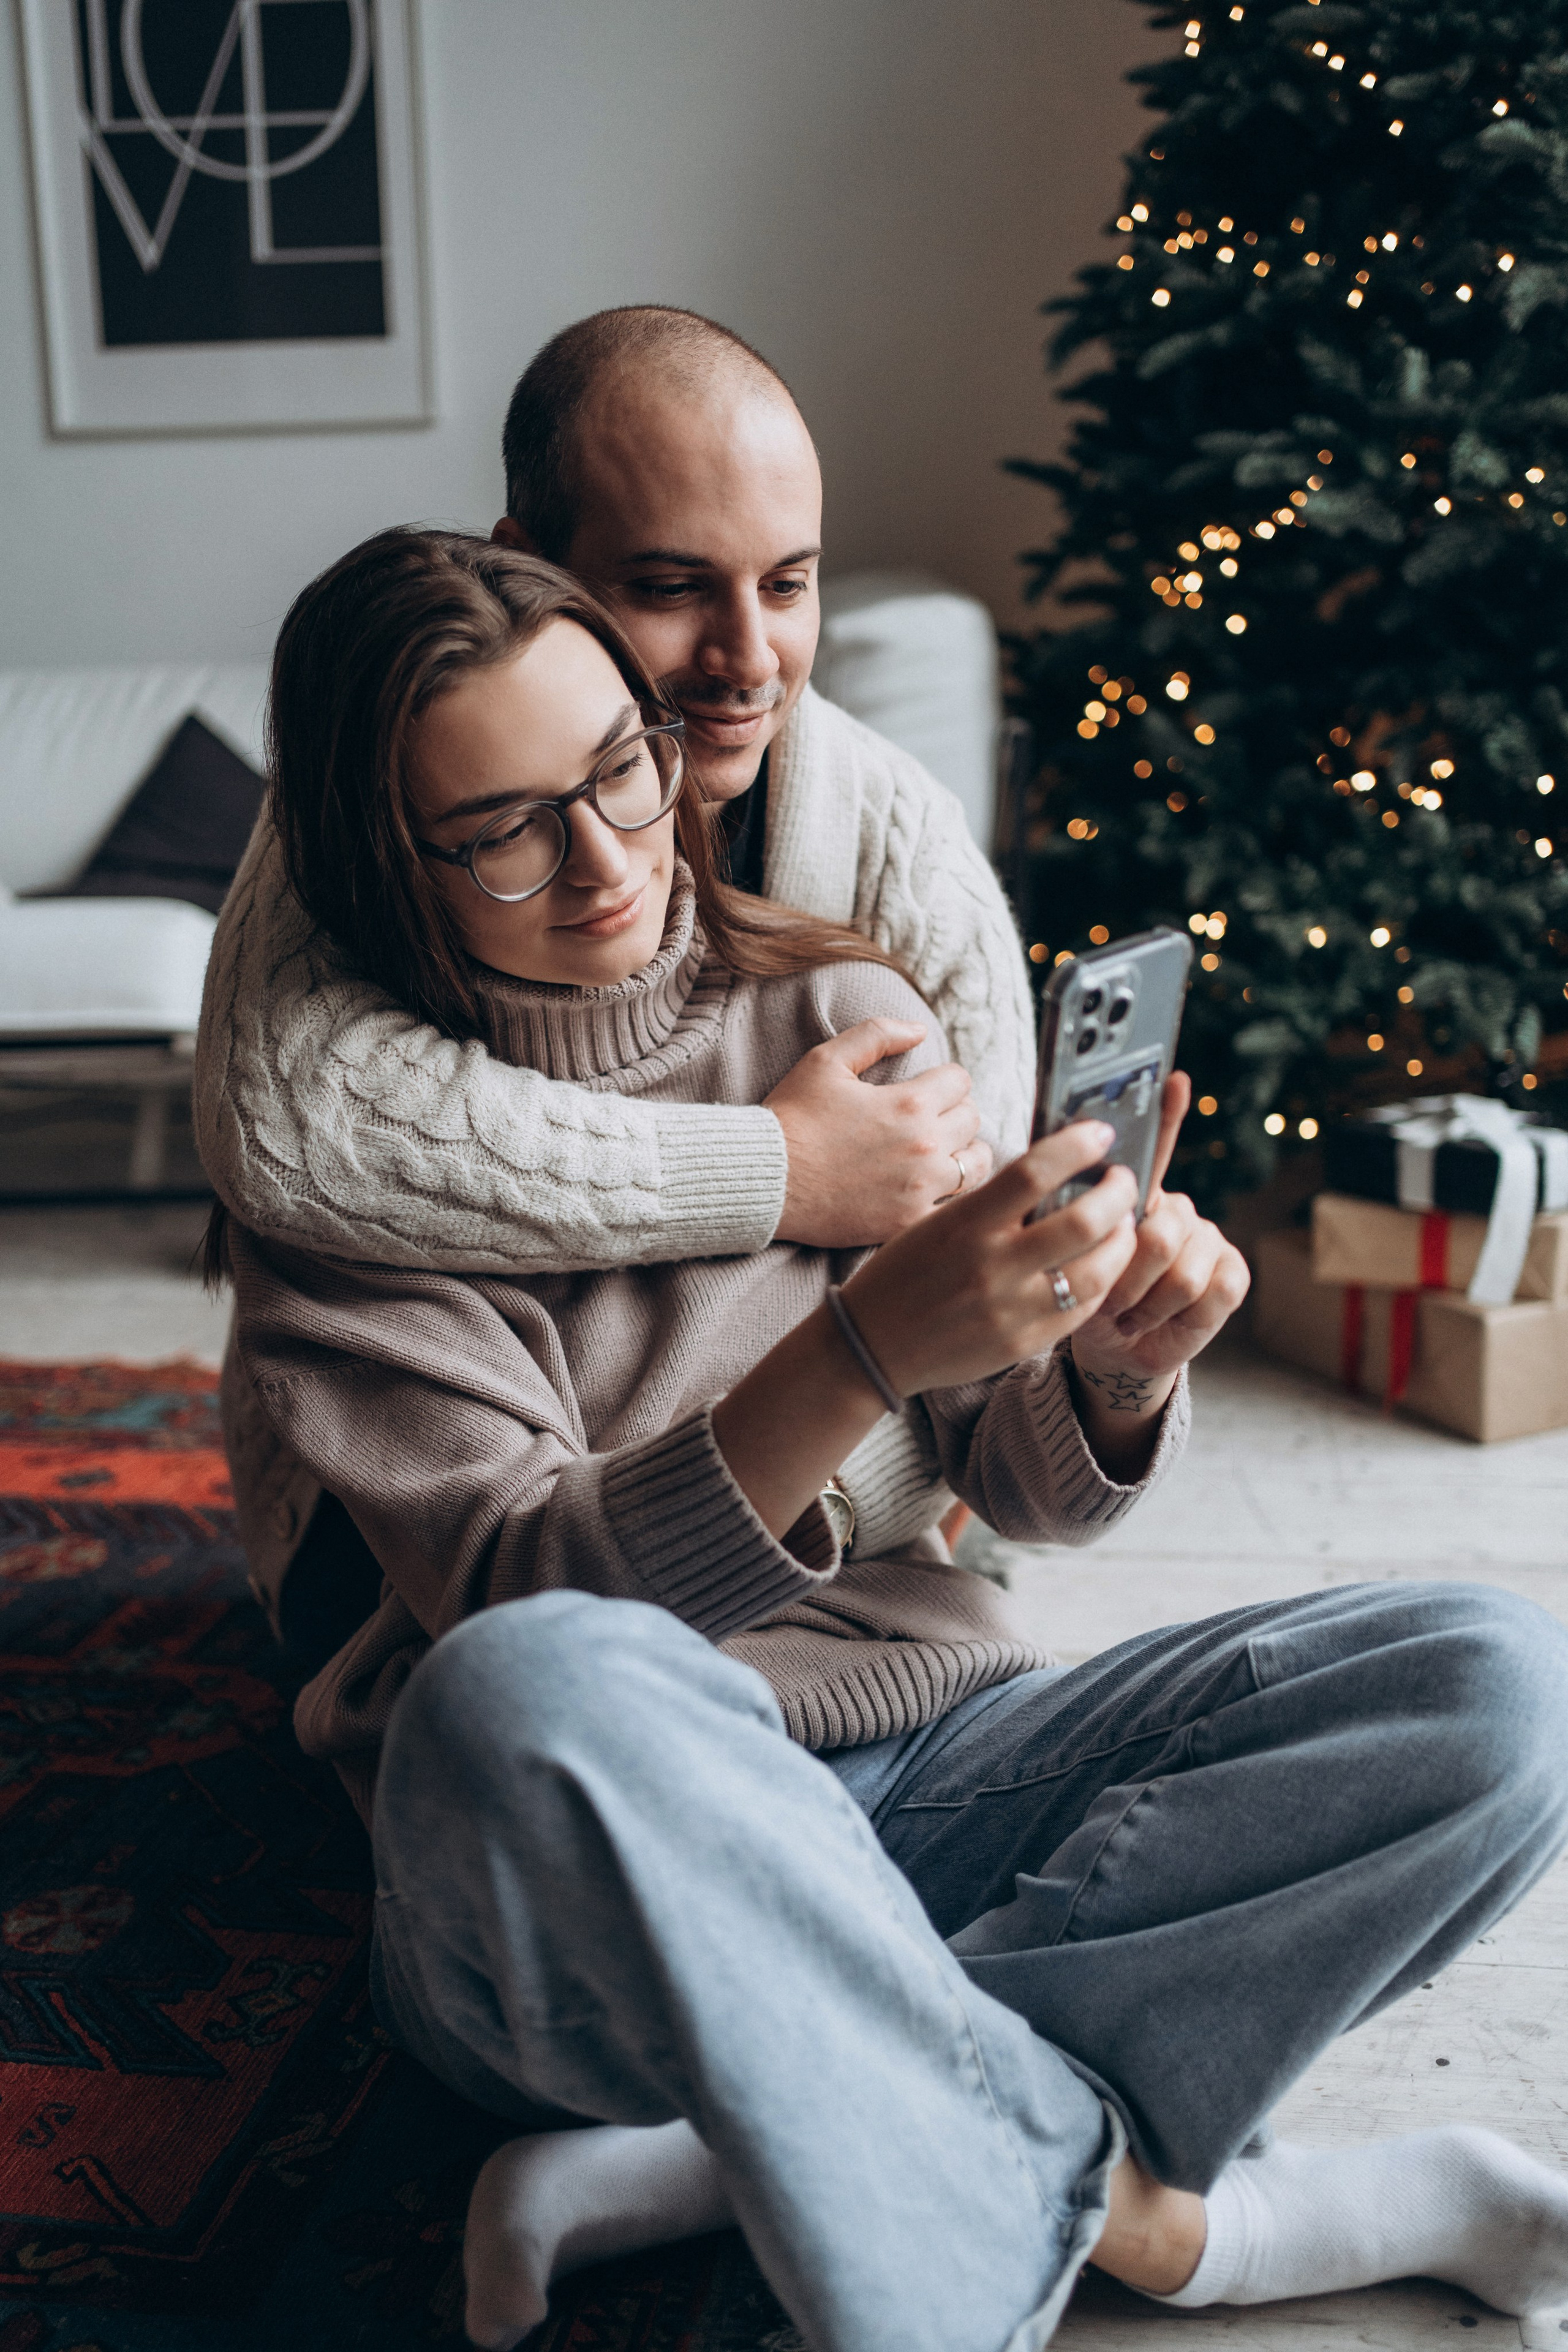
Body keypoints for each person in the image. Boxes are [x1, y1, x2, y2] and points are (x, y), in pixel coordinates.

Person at [215, 526, 1568, 2352]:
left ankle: (728, 2146)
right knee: (519, 1687)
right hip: (588, 1876)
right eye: (507, 830)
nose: (608, 859)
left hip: (934, 1763)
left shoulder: (840, 1011)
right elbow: (520, 1590)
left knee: (1494, 1680)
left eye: (619, 771)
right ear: (393, 868)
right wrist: (852, 1348)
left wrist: (1110, 1371)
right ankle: (1200, 2230)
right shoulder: (357, 1184)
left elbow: (1013, 1478)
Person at [197, 306, 1035, 1649]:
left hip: (839, 1522)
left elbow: (978, 1288)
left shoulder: (893, 859)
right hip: (438, 1504)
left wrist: (832, 1486)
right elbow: (287, 1137)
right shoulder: (371, 793)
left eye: (787, 582)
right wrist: (778, 1169)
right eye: (668, 587)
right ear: (530, 568)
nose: (747, 661)